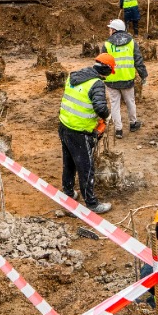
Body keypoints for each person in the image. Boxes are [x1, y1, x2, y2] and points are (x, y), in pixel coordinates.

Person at [59, 53, 116, 214]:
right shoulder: (96, 84)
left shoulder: (74, 77)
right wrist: (106, 116)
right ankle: (92, 203)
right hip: (79, 131)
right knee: (86, 168)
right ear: (106, 70)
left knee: (69, 163)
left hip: (64, 125)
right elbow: (100, 107)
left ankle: (68, 193)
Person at [103, 18, 148, 139]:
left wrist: (101, 77)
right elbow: (138, 60)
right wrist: (144, 75)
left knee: (114, 105)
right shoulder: (131, 42)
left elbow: (102, 62)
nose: (109, 31)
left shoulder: (107, 44)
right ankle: (133, 123)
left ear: (114, 30)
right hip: (127, 79)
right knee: (130, 102)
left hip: (111, 80)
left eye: (110, 29)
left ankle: (118, 130)